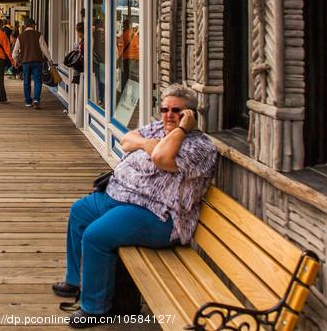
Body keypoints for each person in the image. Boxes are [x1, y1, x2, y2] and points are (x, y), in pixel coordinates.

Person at [53, 84, 217, 328]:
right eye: (165, 109)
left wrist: (180, 131)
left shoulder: (200, 147)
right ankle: (75, 280)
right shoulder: (157, 128)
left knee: (96, 236)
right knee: (80, 211)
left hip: (158, 215)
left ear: (190, 115)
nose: (169, 115)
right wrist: (146, 144)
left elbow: (162, 158)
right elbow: (127, 140)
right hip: (119, 196)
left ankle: (95, 307)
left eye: (177, 111)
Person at [12, 18, 53, 109]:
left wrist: (16, 60)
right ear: (33, 25)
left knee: (26, 81)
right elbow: (44, 48)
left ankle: (28, 101)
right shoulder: (38, 35)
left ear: (25, 26)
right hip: (37, 61)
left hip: (25, 62)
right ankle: (36, 100)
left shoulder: (21, 36)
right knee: (38, 81)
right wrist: (49, 59)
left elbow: (15, 51)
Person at [116, 19, 139, 92]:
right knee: (134, 77)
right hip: (136, 58)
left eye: (124, 24)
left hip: (126, 58)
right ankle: (134, 94)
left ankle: (124, 93)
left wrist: (118, 57)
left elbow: (120, 48)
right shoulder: (135, 34)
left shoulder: (124, 34)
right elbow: (137, 46)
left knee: (125, 77)